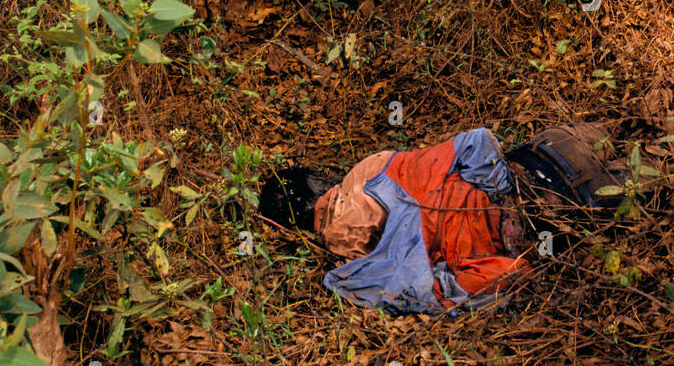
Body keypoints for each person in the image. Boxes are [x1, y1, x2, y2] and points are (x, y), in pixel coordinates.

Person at [259, 123, 635, 314]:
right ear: (317, 182)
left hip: (528, 223)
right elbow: (465, 148)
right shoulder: (371, 167)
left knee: (635, 186)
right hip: (535, 166)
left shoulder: (344, 237)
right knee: (627, 147)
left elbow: (424, 282)